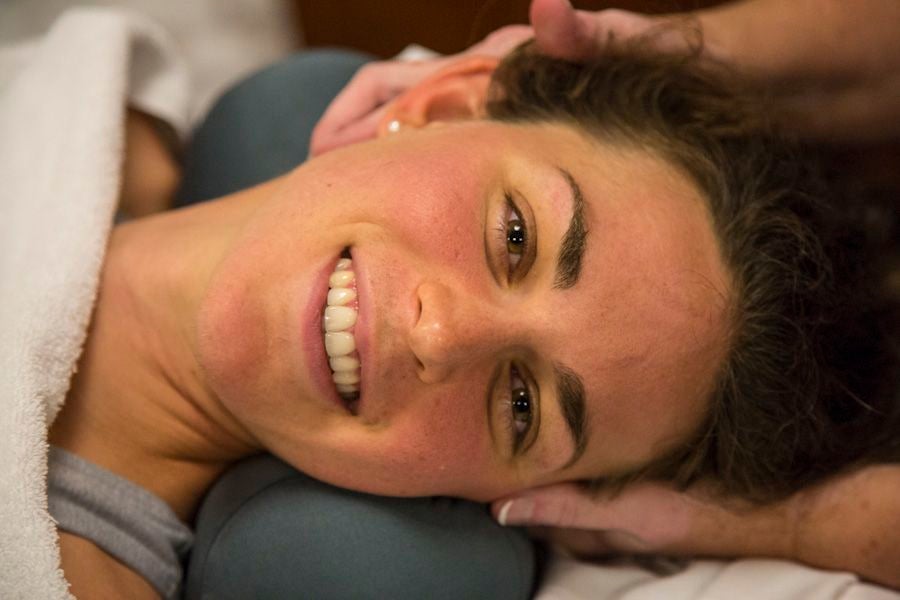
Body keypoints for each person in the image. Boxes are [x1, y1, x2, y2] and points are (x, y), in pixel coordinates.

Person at [2, 2, 898, 599]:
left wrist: (792, 523)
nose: (447, 334)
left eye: (522, 405)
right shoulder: (109, 58)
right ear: (442, 105)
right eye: (516, 238)